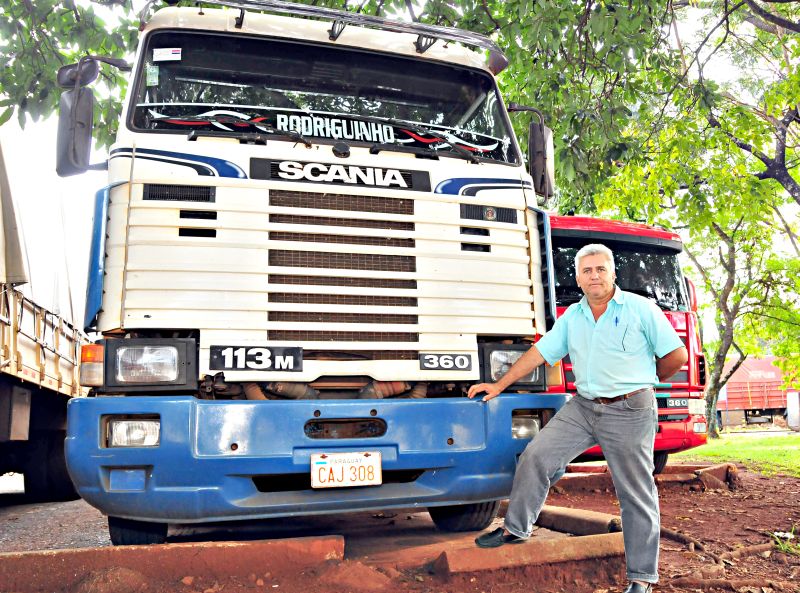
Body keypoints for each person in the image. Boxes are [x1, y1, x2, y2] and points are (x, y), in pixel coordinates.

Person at [468, 243, 687, 593]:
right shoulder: (573, 315)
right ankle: (515, 528)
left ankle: (641, 577)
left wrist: (642, 380)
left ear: (613, 273)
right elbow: (540, 352)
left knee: (635, 493)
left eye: (601, 269)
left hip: (630, 409)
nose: (594, 275)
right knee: (537, 456)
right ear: (578, 277)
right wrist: (499, 385)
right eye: (587, 270)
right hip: (584, 406)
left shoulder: (640, 309)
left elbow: (676, 354)